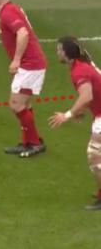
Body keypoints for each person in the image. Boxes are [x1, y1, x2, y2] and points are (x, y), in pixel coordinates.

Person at [0, 0, 47, 158]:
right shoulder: (12, 8)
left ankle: (34, 143)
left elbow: (23, 33)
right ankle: (28, 142)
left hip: (30, 64)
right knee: (24, 104)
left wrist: (16, 59)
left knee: (15, 104)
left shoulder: (7, 13)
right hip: (31, 63)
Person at [49, 37, 101, 211]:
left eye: (59, 49)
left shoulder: (79, 71)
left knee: (94, 155)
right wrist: (81, 110)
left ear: (66, 53)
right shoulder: (82, 64)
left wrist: (68, 115)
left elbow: (87, 96)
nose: (57, 52)